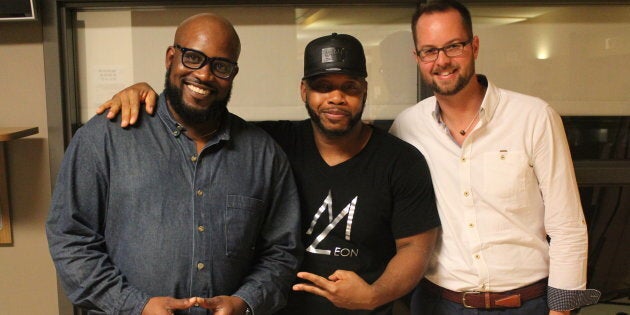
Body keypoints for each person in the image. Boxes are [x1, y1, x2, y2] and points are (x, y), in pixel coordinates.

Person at [97, 33, 440, 315]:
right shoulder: (267, 143)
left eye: (349, 87)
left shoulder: (401, 160)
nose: (336, 97)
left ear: (364, 91)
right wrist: (147, 94)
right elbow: (203, 114)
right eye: (323, 86)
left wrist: (374, 295)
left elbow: (414, 247)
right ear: (304, 91)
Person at [46, 13, 302, 315]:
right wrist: (135, 306)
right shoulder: (105, 138)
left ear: (233, 74)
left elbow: (282, 251)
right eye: (193, 58)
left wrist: (246, 302)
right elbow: (71, 238)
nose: (205, 75)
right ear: (171, 57)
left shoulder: (263, 154)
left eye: (220, 66)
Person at [388, 1, 601, 314]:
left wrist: (561, 310)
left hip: (527, 304)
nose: (442, 61)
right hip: (438, 304)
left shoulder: (534, 117)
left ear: (474, 46)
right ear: (417, 57)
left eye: (454, 46)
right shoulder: (406, 128)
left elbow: (567, 225)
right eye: (429, 51)